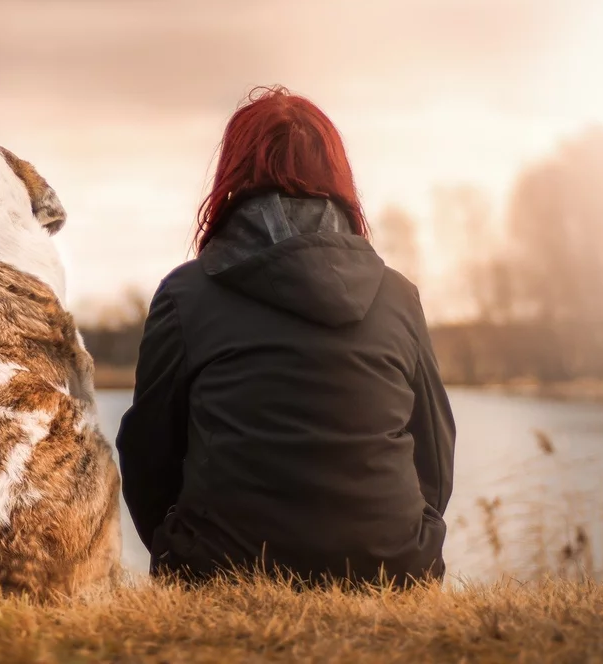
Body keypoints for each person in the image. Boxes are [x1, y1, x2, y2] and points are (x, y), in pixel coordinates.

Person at [115, 85, 456, 588]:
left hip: (220, 570)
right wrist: (406, 540)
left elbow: (147, 454)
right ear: (337, 177)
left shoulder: (186, 295)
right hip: (392, 569)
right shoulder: (398, 296)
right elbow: (435, 453)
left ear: (232, 175)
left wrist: (179, 546)